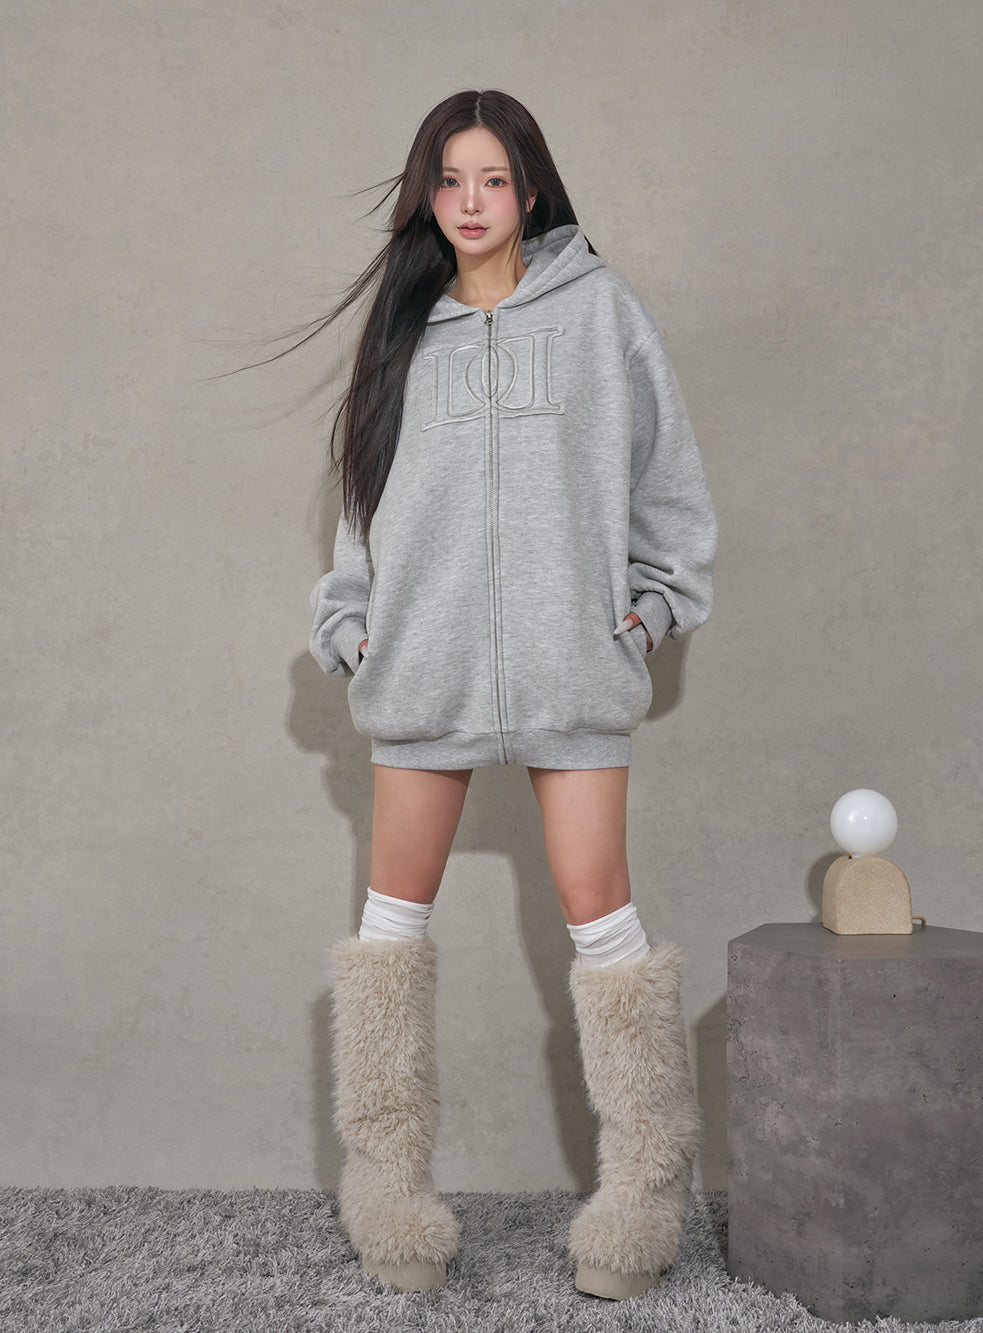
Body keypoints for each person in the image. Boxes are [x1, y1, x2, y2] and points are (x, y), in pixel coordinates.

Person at [308, 90, 717, 1299]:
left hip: (570, 663)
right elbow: (362, 503)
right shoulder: (403, 328)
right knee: (390, 931)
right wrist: (353, 626)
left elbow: (668, 484)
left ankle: (640, 1207)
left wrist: (649, 611)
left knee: (605, 924)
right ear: (426, 195)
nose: (471, 202)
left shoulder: (601, 312)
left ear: (529, 189)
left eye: (493, 179)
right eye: (449, 180)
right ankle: (389, 1202)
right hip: (423, 665)